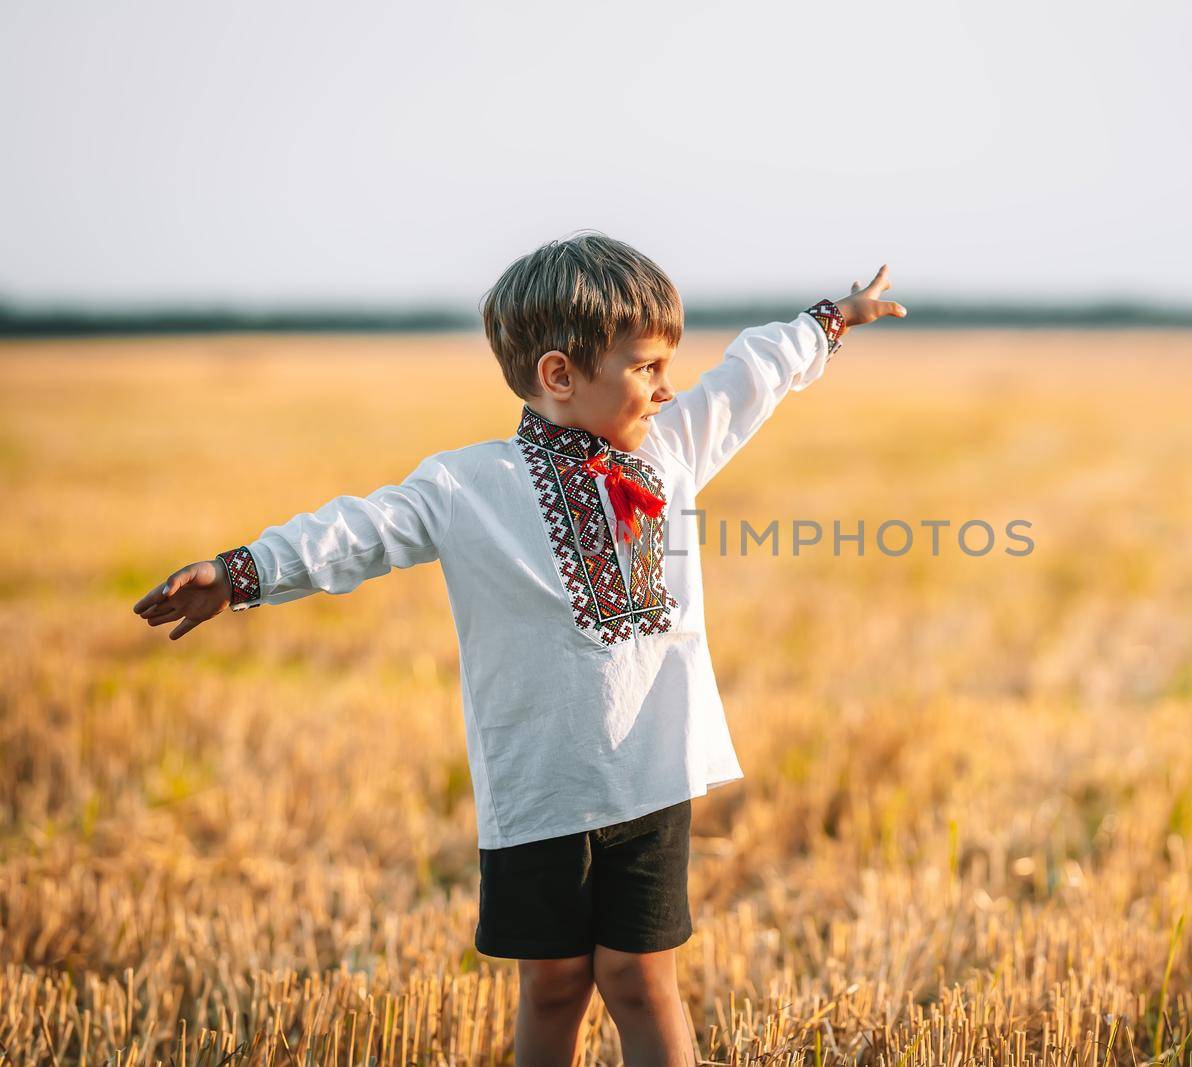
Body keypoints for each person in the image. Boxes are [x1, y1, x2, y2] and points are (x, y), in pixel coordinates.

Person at [131, 230, 907, 1067]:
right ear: (560, 375)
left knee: (641, 980)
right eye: (645, 367)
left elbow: (748, 379)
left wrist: (830, 322)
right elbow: (356, 530)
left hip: (652, 773)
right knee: (554, 984)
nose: (666, 386)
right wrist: (245, 572)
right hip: (539, 787)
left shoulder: (671, 453)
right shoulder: (467, 486)